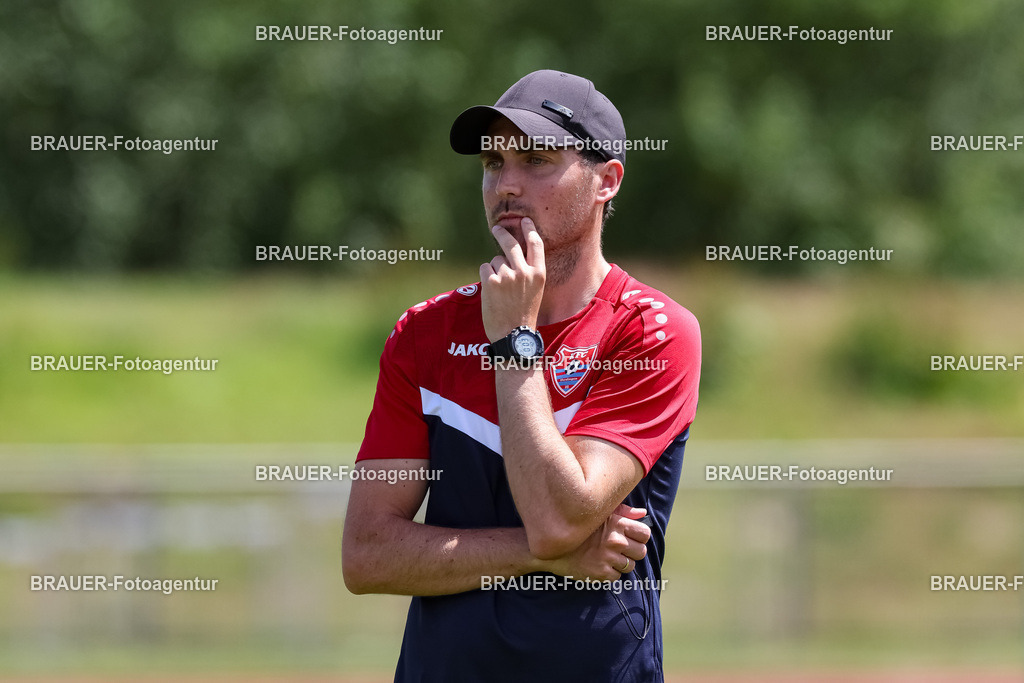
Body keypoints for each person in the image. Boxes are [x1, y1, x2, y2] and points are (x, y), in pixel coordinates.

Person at [342, 69, 701, 682]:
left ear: (607, 181)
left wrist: (514, 339)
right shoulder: (423, 334)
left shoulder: (651, 331)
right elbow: (367, 555)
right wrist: (544, 557)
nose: (505, 184)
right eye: (493, 162)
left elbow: (559, 518)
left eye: (536, 160)